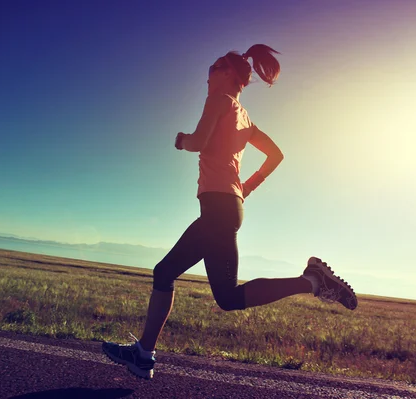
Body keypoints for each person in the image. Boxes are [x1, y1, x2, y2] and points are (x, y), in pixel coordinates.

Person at [103, 44, 357, 380]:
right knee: (204, 288)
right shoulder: (246, 118)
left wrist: (181, 140)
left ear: (226, 74)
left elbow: (199, 141)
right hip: (228, 207)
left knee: (180, 278)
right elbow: (276, 155)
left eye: (213, 67)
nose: (208, 74)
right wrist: (246, 189)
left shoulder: (219, 100)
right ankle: (311, 281)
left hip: (219, 209)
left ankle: (144, 355)